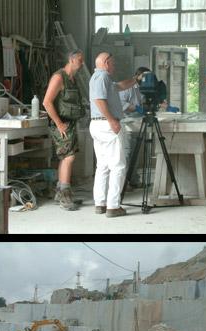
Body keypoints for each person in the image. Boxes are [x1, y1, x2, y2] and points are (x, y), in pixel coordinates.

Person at [89, 52, 139, 218]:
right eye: (113, 63)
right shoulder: (102, 77)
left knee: (103, 166)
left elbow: (120, 86)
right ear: (105, 62)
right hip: (106, 124)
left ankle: (100, 204)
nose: (115, 66)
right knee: (118, 166)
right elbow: (99, 100)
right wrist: (112, 120)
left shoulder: (100, 78)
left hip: (97, 125)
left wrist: (136, 79)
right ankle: (113, 206)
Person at [43, 49, 85, 211]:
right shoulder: (59, 77)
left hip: (70, 123)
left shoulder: (72, 79)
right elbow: (47, 102)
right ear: (71, 60)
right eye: (80, 60)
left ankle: (60, 192)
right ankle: (65, 196)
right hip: (61, 124)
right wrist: (59, 124)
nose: (82, 63)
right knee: (69, 157)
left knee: (65, 156)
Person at [119, 66, 151, 189]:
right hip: (125, 122)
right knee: (126, 153)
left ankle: (133, 179)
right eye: (144, 77)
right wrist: (136, 107)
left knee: (135, 152)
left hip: (136, 122)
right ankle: (123, 182)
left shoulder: (144, 87)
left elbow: (146, 101)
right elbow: (120, 103)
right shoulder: (127, 87)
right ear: (138, 76)